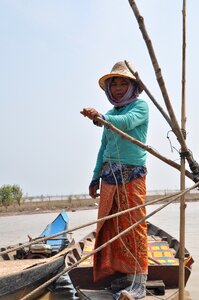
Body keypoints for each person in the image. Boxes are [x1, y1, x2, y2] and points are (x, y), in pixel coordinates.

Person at [80, 61, 149, 300]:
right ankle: (121, 275)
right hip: (109, 176)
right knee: (112, 226)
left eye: (123, 83)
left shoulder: (140, 107)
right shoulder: (110, 114)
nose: (118, 88)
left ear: (133, 87)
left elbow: (127, 123)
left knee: (134, 225)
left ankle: (139, 282)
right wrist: (95, 177)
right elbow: (104, 147)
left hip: (132, 175)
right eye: (114, 83)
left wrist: (101, 118)